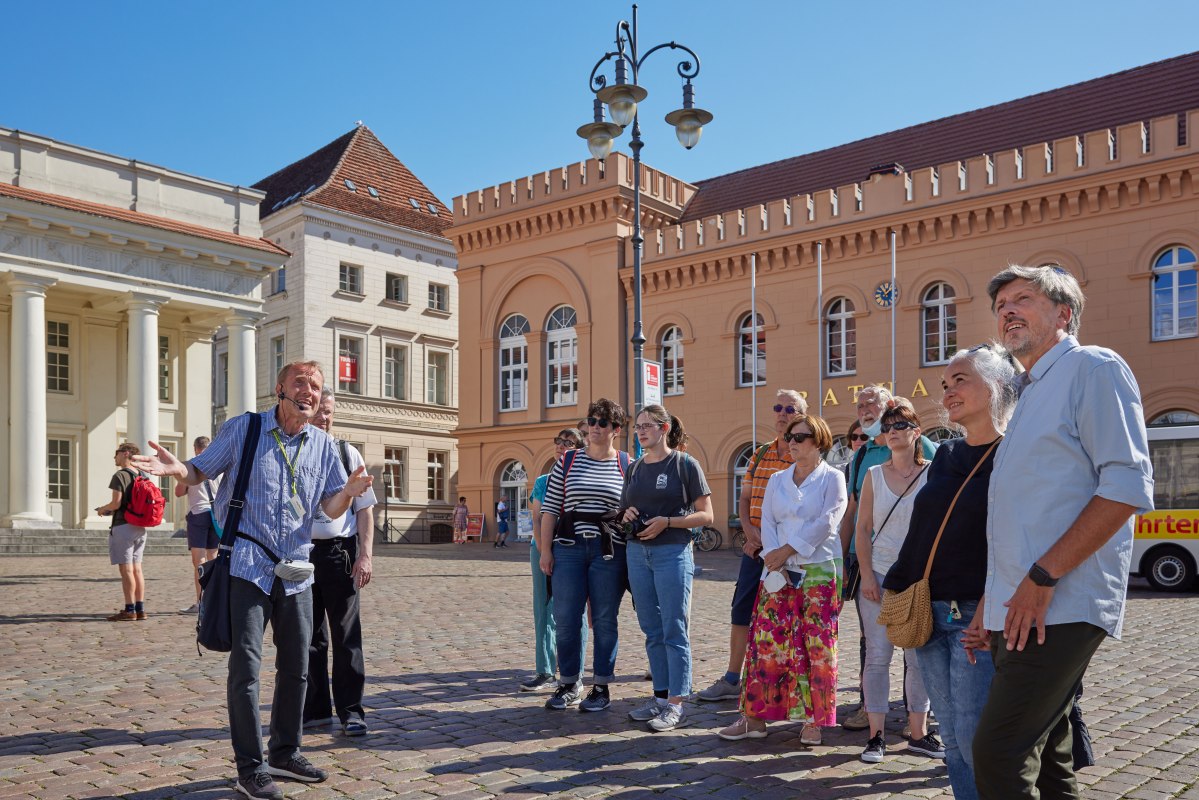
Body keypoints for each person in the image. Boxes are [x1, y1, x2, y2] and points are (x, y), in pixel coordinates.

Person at [132, 361, 374, 800]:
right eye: (301, 382)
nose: (310, 391)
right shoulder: (244, 429)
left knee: (298, 667)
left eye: (316, 387)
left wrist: (350, 493)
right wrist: (177, 470)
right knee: (246, 668)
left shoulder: (322, 444)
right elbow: (199, 470)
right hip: (246, 561)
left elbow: (332, 509)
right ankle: (250, 766)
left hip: (298, 568)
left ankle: (285, 752)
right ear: (279, 387)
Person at [969, 265, 1152, 799]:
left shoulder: (1092, 367)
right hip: (1018, 603)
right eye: (1001, 303)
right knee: (1050, 756)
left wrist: (1043, 575)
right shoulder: (1027, 394)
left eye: (1022, 299)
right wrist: (991, 600)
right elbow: (1020, 515)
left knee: (999, 752)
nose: (1007, 310)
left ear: (1064, 314)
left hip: (1059, 601)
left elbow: (1125, 485)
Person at [883, 345, 1017, 799]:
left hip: (973, 618)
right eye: (945, 384)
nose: (948, 390)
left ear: (995, 386)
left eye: (960, 379)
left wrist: (992, 605)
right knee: (955, 741)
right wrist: (895, 585)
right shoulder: (945, 455)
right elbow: (923, 529)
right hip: (928, 612)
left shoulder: (1014, 453)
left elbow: (1016, 541)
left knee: (976, 736)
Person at [717, 414, 847, 743]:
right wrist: (774, 555)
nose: (792, 441)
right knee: (766, 643)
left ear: (818, 442)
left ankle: (813, 721)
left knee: (816, 645)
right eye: (790, 436)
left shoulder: (833, 478)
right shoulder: (777, 479)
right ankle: (755, 719)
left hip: (818, 569)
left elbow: (828, 521)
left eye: (801, 437)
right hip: (776, 569)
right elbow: (769, 522)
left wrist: (788, 550)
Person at [839, 385, 938, 732]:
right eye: (887, 427)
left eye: (898, 424)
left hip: (917, 574)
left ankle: (919, 730)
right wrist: (855, 566)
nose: (892, 431)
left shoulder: (931, 466)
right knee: (877, 653)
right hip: (876, 570)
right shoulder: (865, 463)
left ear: (915, 431)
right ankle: (874, 727)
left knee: (917, 654)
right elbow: (857, 520)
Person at [696, 389, 804, 703]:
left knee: (785, 615)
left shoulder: (804, 456)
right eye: (778, 407)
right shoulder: (759, 455)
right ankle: (732, 677)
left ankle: (783, 680)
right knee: (741, 610)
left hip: (787, 553)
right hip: (755, 550)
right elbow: (745, 500)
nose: (783, 413)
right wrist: (748, 532)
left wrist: (775, 544)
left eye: (791, 408)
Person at [622, 405, 713, 732]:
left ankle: (676, 703)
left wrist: (668, 522)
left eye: (647, 426)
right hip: (637, 553)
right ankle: (659, 698)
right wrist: (628, 514)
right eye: (638, 427)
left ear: (664, 428)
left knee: (674, 627)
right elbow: (623, 511)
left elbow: (706, 515)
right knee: (651, 628)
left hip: (673, 551)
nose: (641, 431)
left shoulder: (685, 465)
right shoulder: (634, 468)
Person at [538, 397, 631, 712]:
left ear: (615, 429)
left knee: (604, 619)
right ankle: (569, 683)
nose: (594, 428)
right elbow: (550, 510)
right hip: (569, 548)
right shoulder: (567, 461)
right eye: (592, 421)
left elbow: (633, 508)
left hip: (608, 551)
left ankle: (601, 686)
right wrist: (545, 551)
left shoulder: (626, 464)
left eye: (602, 423)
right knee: (565, 617)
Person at [304, 388, 378, 737]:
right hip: (300, 554)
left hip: (339, 553)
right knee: (308, 637)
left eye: (329, 411)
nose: (324, 417)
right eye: (319, 410)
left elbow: (365, 510)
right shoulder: (295, 451)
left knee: (346, 635)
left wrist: (365, 555)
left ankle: (351, 711)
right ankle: (316, 710)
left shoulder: (348, 453)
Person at [523, 427, 588, 692]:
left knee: (576, 612)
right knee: (544, 608)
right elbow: (537, 518)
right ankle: (545, 670)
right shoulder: (543, 481)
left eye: (569, 443)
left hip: (573, 549)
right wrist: (543, 551)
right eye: (559, 441)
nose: (561, 446)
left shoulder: (583, 479)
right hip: (542, 548)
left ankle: (577, 672)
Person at [96, 443, 149, 621]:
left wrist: (103, 509)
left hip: (123, 526)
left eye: (116, 453)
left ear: (126, 454)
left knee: (126, 570)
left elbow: (116, 504)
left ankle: (129, 610)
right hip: (140, 527)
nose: (114, 457)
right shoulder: (142, 475)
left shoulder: (120, 475)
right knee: (137, 569)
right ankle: (140, 609)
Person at [177, 436, 221, 614]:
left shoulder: (191, 465)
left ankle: (201, 602)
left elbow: (179, 492)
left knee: (199, 560)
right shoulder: (219, 464)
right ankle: (217, 601)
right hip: (217, 515)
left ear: (195, 448)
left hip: (198, 514)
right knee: (215, 558)